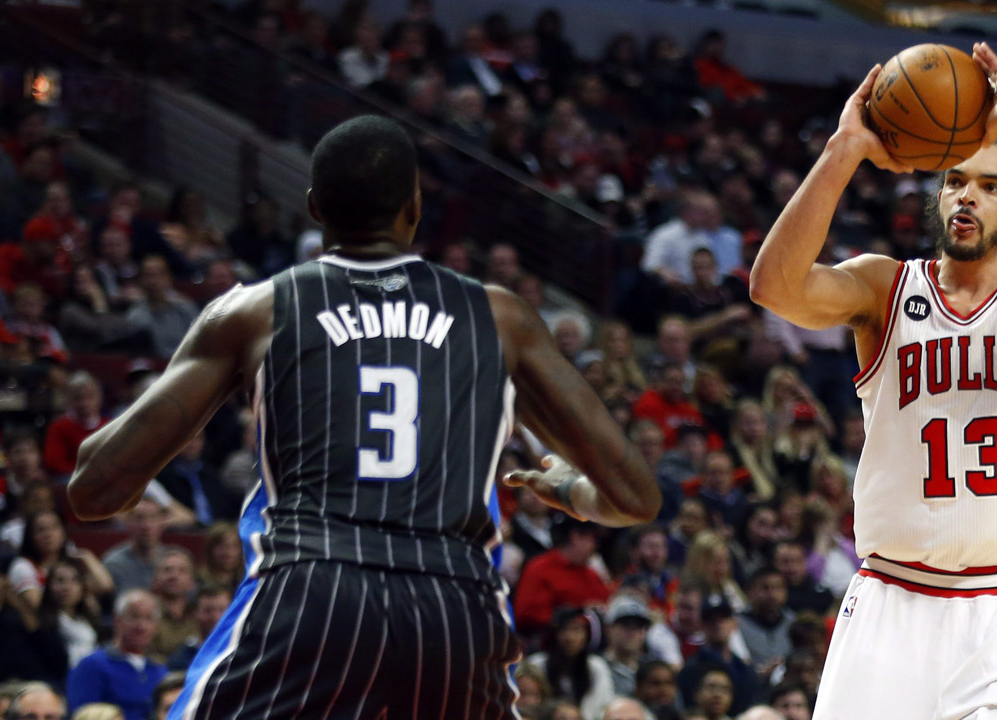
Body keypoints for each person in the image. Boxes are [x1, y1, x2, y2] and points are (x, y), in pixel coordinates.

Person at [67, 115, 660, 720]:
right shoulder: (500, 316)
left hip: (313, 588)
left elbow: (94, 489)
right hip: (453, 602)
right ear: (415, 206)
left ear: (313, 207)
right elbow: (635, 496)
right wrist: (571, 489)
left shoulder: (254, 311)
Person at [748, 43, 997, 718]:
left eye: (991, 187)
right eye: (956, 180)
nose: (966, 197)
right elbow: (774, 286)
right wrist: (844, 149)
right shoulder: (883, 288)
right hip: (890, 599)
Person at [66, 590, 169, 720]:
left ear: (156, 626)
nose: (141, 626)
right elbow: (82, 714)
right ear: (117, 620)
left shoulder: (160, 671)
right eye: (134, 616)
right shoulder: (91, 666)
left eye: (149, 618)